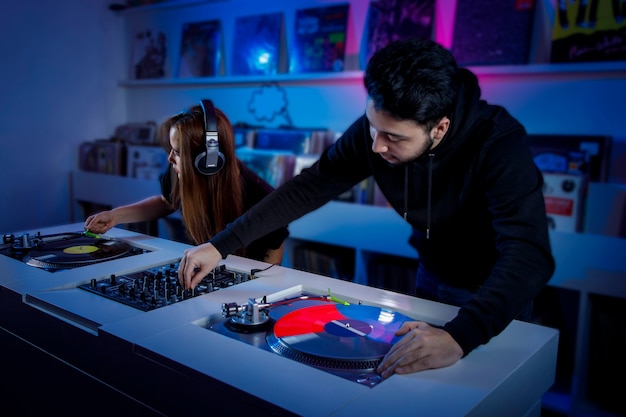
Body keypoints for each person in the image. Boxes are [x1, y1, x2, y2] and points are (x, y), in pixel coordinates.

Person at [178, 39, 555, 378]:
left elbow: (529, 254)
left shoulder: (500, 143)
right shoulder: (376, 130)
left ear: (439, 128)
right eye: (373, 128)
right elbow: (308, 187)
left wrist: (460, 336)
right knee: (420, 387)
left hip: (491, 292)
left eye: (393, 137)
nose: (376, 146)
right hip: (429, 275)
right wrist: (220, 244)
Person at [84, 100, 288, 265]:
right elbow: (166, 202)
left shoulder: (261, 197)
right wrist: (115, 216)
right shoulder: (180, 171)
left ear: (209, 161)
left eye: (179, 153)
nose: (170, 159)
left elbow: (272, 259)